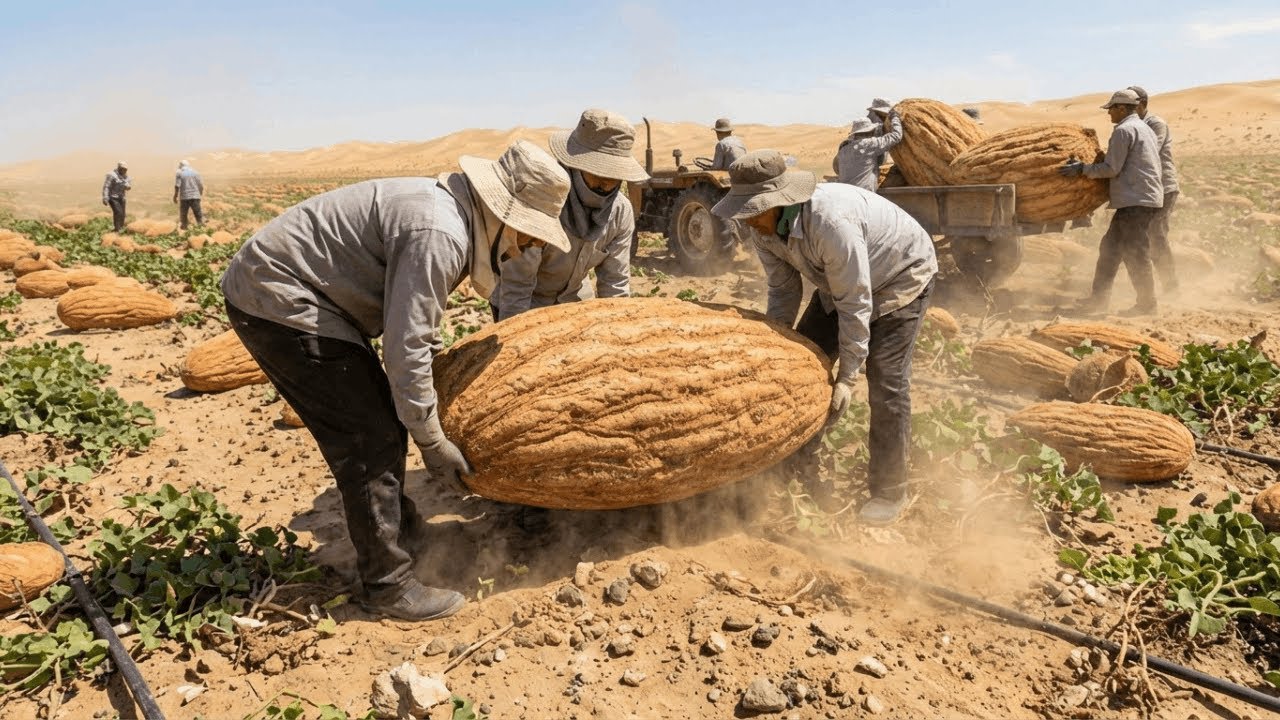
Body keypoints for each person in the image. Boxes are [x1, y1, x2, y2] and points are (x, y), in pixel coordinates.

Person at [220, 141, 571, 621]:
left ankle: (404, 535)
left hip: (297, 293)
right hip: (279, 298)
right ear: (501, 212)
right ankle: (387, 585)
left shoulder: (448, 215)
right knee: (368, 434)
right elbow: (406, 350)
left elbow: (414, 340)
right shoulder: (440, 233)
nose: (529, 246)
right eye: (528, 234)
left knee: (380, 419)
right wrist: (432, 443)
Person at [712, 150, 938, 525]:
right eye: (744, 212)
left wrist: (848, 377)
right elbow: (783, 291)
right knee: (804, 363)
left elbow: (856, 300)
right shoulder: (763, 230)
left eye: (754, 212)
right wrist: (775, 350)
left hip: (901, 274)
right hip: (839, 283)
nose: (748, 222)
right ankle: (794, 463)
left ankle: (888, 490)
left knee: (885, 379)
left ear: (780, 201)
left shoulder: (831, 223)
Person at [491, 109, 647, 320]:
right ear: (575, 166)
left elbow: (615, 283)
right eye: (598, 171)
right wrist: (513, 335)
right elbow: (517, 286)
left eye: (614, 174)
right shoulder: (543, 199)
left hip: (575, 303)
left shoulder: (620, 212)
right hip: (526, 304)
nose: (607, 182)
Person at [1060, 88, 1163, 315]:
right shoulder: (1144, 128)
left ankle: (1147, 305)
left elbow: (1111, 169)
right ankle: (1098, 300)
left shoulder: (1124, 131)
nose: (1109, 114)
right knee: (1110, 249)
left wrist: (1082, 169)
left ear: (1121, 108)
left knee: (1136, 253)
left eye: (1111, 109)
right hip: (1142, 197)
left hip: (1136, 200)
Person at [1129, 85, 1179, 292]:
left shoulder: (1155, 124)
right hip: (1145, 188)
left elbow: (1148, 151)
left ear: (1142, 104)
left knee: (1156, 235)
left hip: (1163, 186)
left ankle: (1170, 286)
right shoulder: (1132, 124)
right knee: (1142, 236)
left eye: (1131, 105)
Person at [833, 111, 903, 192]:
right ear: (869, 131)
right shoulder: (868, 144)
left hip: (847, 193)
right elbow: (896, 136)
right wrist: (895, 118)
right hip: (865, 194)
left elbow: (836, 169)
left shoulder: (843, 149)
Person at [173, 160, 205, 230]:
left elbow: (177, 185)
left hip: (184, 197)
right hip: (195, 196)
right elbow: (200, 185)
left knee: (183, 215)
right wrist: (200, 193)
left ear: (181, 166)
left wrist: (175, 196)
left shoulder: (179, 173)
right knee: (198, 214)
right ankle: (201, 229)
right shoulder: (195, 172)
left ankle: (184, 229)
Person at [102, 161, 131, 232]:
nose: (124, 170)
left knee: (123, 214)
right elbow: (106, 186)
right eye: (122, 169)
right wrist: (105, 197)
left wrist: (127, 187)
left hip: (122, 197)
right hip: (113, 197)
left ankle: (120, 228)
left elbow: (129, 187)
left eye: (125, 169)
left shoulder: (126, 177)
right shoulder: (111, 175)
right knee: (118, 212)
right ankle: (117, 229)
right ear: (118, 168)